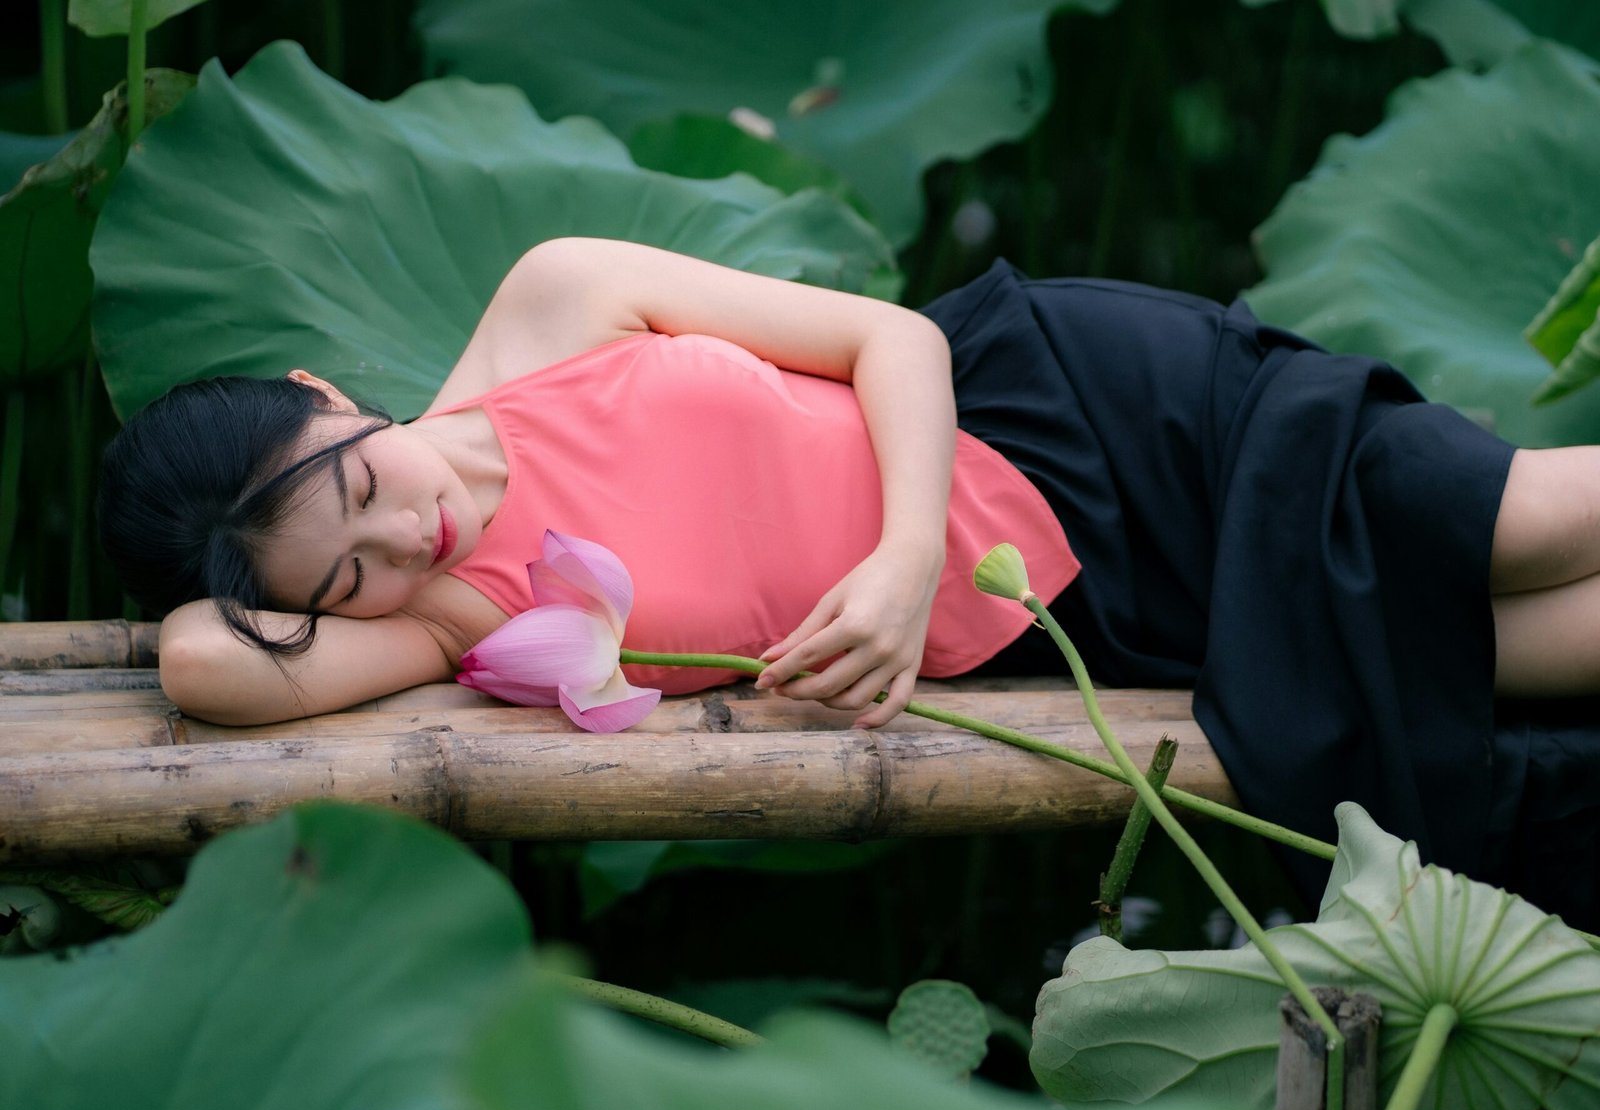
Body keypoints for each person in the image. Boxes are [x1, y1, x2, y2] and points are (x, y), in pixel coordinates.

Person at [98, 236, 1600, 925]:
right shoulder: (453, 619)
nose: (407, 542)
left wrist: (898, 565)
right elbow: (199, 663)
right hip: (1082, 607)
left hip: (1065, 415)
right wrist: (292, 578)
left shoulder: (553, 301)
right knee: (1526, 650)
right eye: (343, 578)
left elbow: (896, 338)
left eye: (366, 484)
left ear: (328, 390)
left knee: (1524, 528)